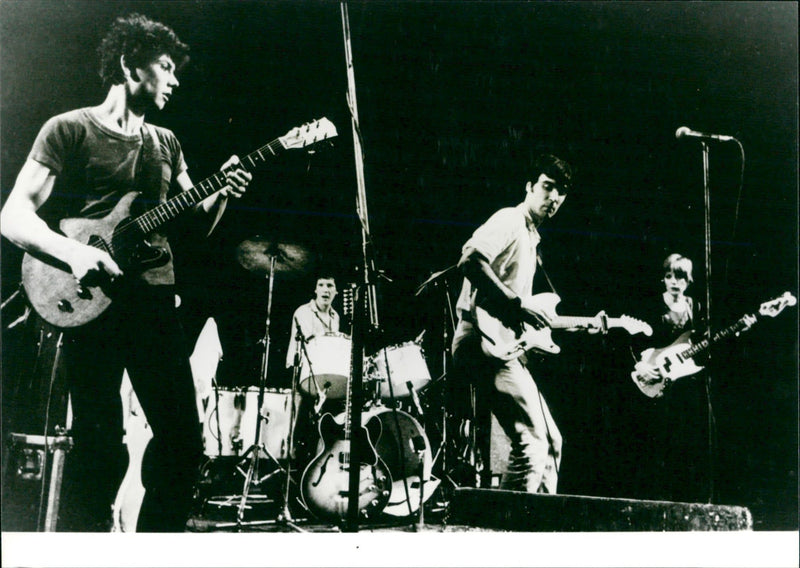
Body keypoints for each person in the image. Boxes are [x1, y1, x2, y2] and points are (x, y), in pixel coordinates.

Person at [0, 13, 252, 531]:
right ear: (129, 66)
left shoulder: (167, 142)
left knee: (183, 441)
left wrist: (221, 191)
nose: (176, 80)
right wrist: (74, 254)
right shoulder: (69, 129)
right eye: (165, 66)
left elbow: (195, 222)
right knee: (99, 445)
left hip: (155, 302)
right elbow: (13, 215)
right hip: (89, 301)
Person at [451, 153, 580, 494]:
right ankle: (506, 529)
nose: (554, 198)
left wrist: (584, 325)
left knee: (552, 442)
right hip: (479, 341)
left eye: (561, 192)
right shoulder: (510, 219)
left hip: (502, 345)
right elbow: (469, 260)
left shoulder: (532, 239)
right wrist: (517, 305)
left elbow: (522, 315)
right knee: (534, 441)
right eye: (548, 187)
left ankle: (540, 529)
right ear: (529, 187)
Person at [626, 253, 711, 502]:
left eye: (681, 277)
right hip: (652, 378)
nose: (675, 281)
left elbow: (701, 343)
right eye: (669, 276)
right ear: (663, 278)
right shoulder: (652, 305)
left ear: (689, 280)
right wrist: (641, 366)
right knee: (653, 443)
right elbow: (633, 341)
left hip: (684, 384)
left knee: (683, 444)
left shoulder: (695, 307)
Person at [285, 275, 340, 369]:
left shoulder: (335, 316)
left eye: (330, 285)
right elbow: (310, 345)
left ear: (336, 291)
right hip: (300, 368)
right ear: (316, 290)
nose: (325, 290)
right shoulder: (303, 311)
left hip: (321, 367)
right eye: (321, 285)